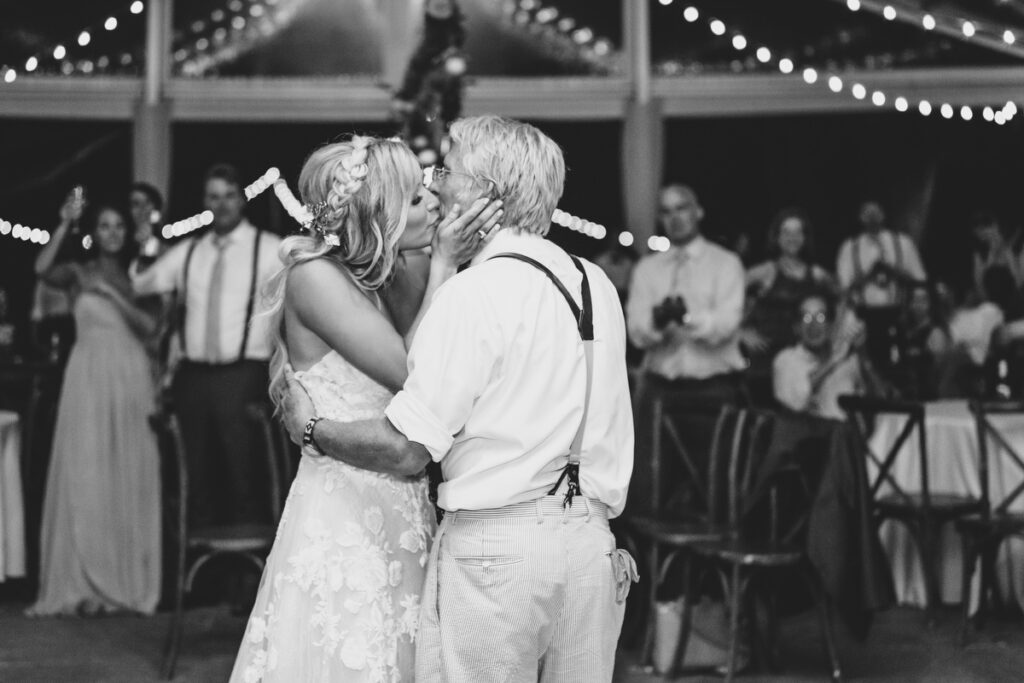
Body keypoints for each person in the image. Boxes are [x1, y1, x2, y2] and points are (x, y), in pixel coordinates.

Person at [278, 117, 635, 682]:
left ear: (484, 193)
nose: (437, 183)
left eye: (446, 170)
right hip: (591, 550)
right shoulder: (597, 284)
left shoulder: (471, 293)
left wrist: (312, 430)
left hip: (498, 557)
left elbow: (405, 450)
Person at [230, 136, 503, 682]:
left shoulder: (382, 278)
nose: (435, 205)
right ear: (381, 212)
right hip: (343, 519)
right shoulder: (315, 278)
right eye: (417, 197)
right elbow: (415, 373)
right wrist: (445, 262)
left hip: (401, 510)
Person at [28, 194, 161, 616]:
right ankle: (81, 575)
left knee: (126, 468)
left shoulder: (140, 274)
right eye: (104, 226)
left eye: (118, 226)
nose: (112, 233)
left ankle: (123, 579)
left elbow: (150, 329)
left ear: (126, 233)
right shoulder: (77, 273)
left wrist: (113, 294)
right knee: (84, 470)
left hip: (129, 375)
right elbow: (41, 269)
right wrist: (64, 222)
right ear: (95, 232)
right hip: (85, 376)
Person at [131, 164, 282, 527]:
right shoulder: (189, 252)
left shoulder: (270, 249)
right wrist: (148, 241)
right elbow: (140, 284)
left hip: (244, 376)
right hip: (192, 378)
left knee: (242, 471)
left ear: (242, 199)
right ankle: (197, 568)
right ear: (205, 201)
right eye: (214, 196)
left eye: (230, 195)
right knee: (194, 474)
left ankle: (245, 572)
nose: (223, 204)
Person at [625, 183, 746, 516]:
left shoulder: (726, 264)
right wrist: (659, 324)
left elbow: (725, 326)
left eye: (682, 208)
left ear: (698, 211)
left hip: (712, 392)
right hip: (659, 392)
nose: (674, 218)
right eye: (666, 211)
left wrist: (687, 317)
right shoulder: (647, 269)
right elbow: (636, 332)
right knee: (652, 489)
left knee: (714, 489)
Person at [743, 208, 834, 401]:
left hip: (803, 363)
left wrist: (834, 335)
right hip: (766, 363)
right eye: (786, 232)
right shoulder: (766, 271)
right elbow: (726, 294)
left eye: (797, 232)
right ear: (776, 237)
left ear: (804, 237)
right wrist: (741, 332)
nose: (792, 238)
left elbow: (846, 298)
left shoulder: (817, 274)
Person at [773, 292, 867, 421]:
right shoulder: (786, 360)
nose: (813, 325)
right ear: (797, 327)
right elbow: (796, 401)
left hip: (844, 436)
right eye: (806, 318)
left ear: (831, 326)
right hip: (803, 437)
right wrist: (832, 362)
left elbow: (877, 396)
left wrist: (863, 352)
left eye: (820, 317)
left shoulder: (847, 360)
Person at [836, 200, 926, 309]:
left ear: (883, 215)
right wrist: (869, 274)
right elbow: (844, 288)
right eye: (867, 212)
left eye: (875, 211)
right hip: (862, 315)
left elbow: (920, 281)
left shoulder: (903, 243)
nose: (872, 216)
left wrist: (894, 271)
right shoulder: (849, 247)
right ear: (860, 217)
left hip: (898, 313)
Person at [970, 211, 1023, 297]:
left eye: (985, 227)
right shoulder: (980, 255)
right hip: (992, 301)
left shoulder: (1016, 248)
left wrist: (1009, 255)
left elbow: (1019, 283)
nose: (980, 233)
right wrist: (991, 257)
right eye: (977, 230)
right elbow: (981, 287)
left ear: (996, 225)